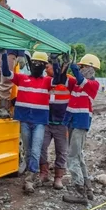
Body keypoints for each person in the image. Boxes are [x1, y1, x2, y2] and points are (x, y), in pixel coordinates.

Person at [1, 50, 60, 193]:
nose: (36, 65)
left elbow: (58, 78)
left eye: (40, 63)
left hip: (39, 121)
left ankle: (30, 179)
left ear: (45, 65)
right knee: (28, 151)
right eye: (34, 62)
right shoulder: (22, 78)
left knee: (35, 150)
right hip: (25, 120)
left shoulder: (47, 81)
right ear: (30, 63)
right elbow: (6, 73)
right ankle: (30, 175)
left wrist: (56, 62)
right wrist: (3, 55)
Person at [61, 54, 100, 205]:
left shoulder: (93, 84)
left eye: (82, 66)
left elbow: (79, 78)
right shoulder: (77, 84)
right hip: (72, 121)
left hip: (80, 123)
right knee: (78, 155)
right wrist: (61, 64)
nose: (81, 69)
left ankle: (79, 191)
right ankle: (87, 189)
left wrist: (73, 66)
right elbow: (61, 78)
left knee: (72, 156)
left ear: (90, 68)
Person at [38, 57, 74, 190]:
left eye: (49, 66)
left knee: (62, 150)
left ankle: (58, 177)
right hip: (47, 121)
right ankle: (43, 173)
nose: (46, 68)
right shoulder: (46, 80)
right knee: (41, 147)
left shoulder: (68, 80)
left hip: (62, 122)